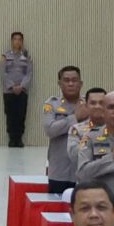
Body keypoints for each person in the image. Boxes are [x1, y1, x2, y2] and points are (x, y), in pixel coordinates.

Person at [69, 89, 114, 195]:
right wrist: (112, 156)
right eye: (93, 103)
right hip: (97, 197)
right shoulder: (85, 134)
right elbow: (80, 167)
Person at [42, 65, 85, 197]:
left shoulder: (89, 104)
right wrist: (75, 118)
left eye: (74, 80)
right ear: (59, 84)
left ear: (81, 83)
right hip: (59, 170)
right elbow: (50, 130)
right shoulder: (52, 104)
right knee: (56, 206)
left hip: (83, 169)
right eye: (66, 80)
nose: (71, 84)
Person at [0, 33, 33, 148]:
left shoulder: (26, 56)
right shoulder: (5, 56)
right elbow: (3, 73)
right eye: (15, 39)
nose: (17, 41)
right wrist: (12, 86)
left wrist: (22, 86)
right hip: (9, 91)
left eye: (19, 39)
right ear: (11, 41)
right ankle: (12, 139)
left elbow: (29, 73)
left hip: (22, 91)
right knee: (10, 114)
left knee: (21, 114)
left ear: (22, 41)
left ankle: (19, 139)